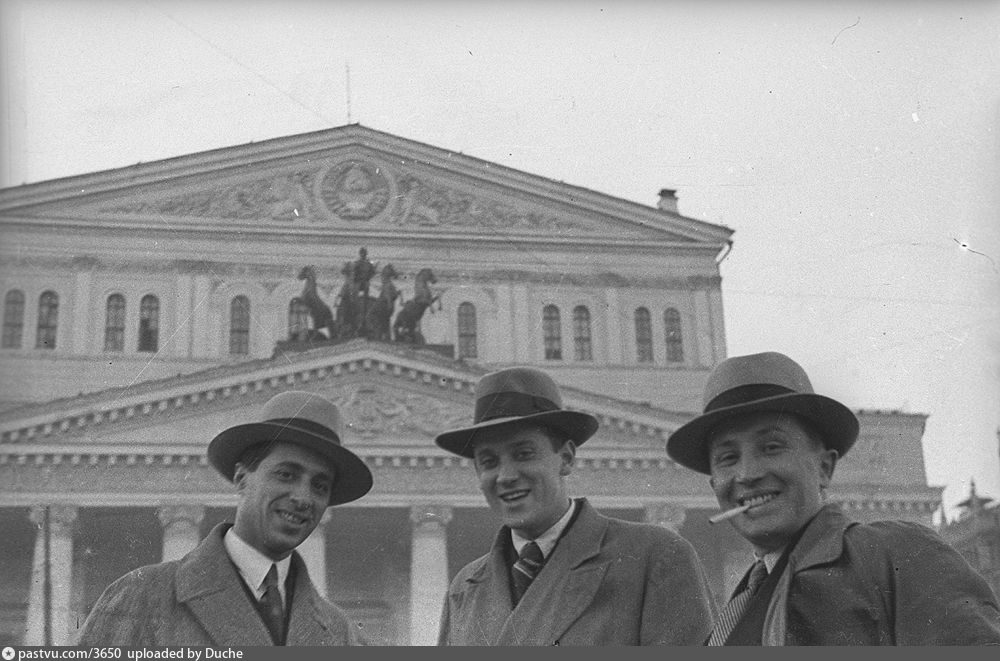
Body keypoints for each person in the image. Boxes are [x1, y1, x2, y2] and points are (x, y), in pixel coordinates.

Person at [666, 351, 1000, 646]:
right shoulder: (735, 611)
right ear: (714, 486)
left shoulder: (898, 556)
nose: (748, 473)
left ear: (824, 467)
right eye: (728, 458)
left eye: (771, 447)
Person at [434, 366, 716, 646]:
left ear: (566, 458)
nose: (506, 476)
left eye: (523, 454)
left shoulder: (655, 556)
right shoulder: (464, 587)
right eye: (489, 462)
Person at [75, 391, 373, 646]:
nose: (303, 498)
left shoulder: (339, 632)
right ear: (242, 478)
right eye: (286, 474)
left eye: (320, 486)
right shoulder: (142, 596)